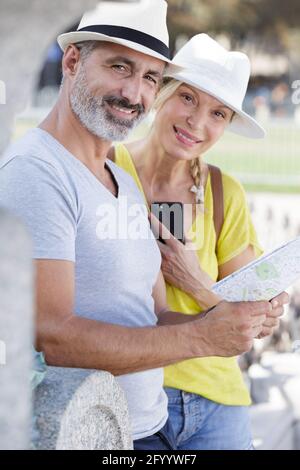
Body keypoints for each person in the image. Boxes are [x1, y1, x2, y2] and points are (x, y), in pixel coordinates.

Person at [0, 3, 287, 450]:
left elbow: (152, 313)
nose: (134, 94)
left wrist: (230, 317)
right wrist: (203, 335)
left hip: (145, 424)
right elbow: (52, 336)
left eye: (150, 78)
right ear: (72, 61)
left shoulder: (121, 184)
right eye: (120, 67)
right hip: (90, 431)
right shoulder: (36, 173)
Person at [110, 34, 281, 450]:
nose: (197, 123)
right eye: (187, 98)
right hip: (128, 400)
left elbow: (248, 323)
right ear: (161, 91)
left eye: (218, 113)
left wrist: (193, 279)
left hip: (217, 405)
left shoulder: (224, 193)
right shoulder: (106, 170)